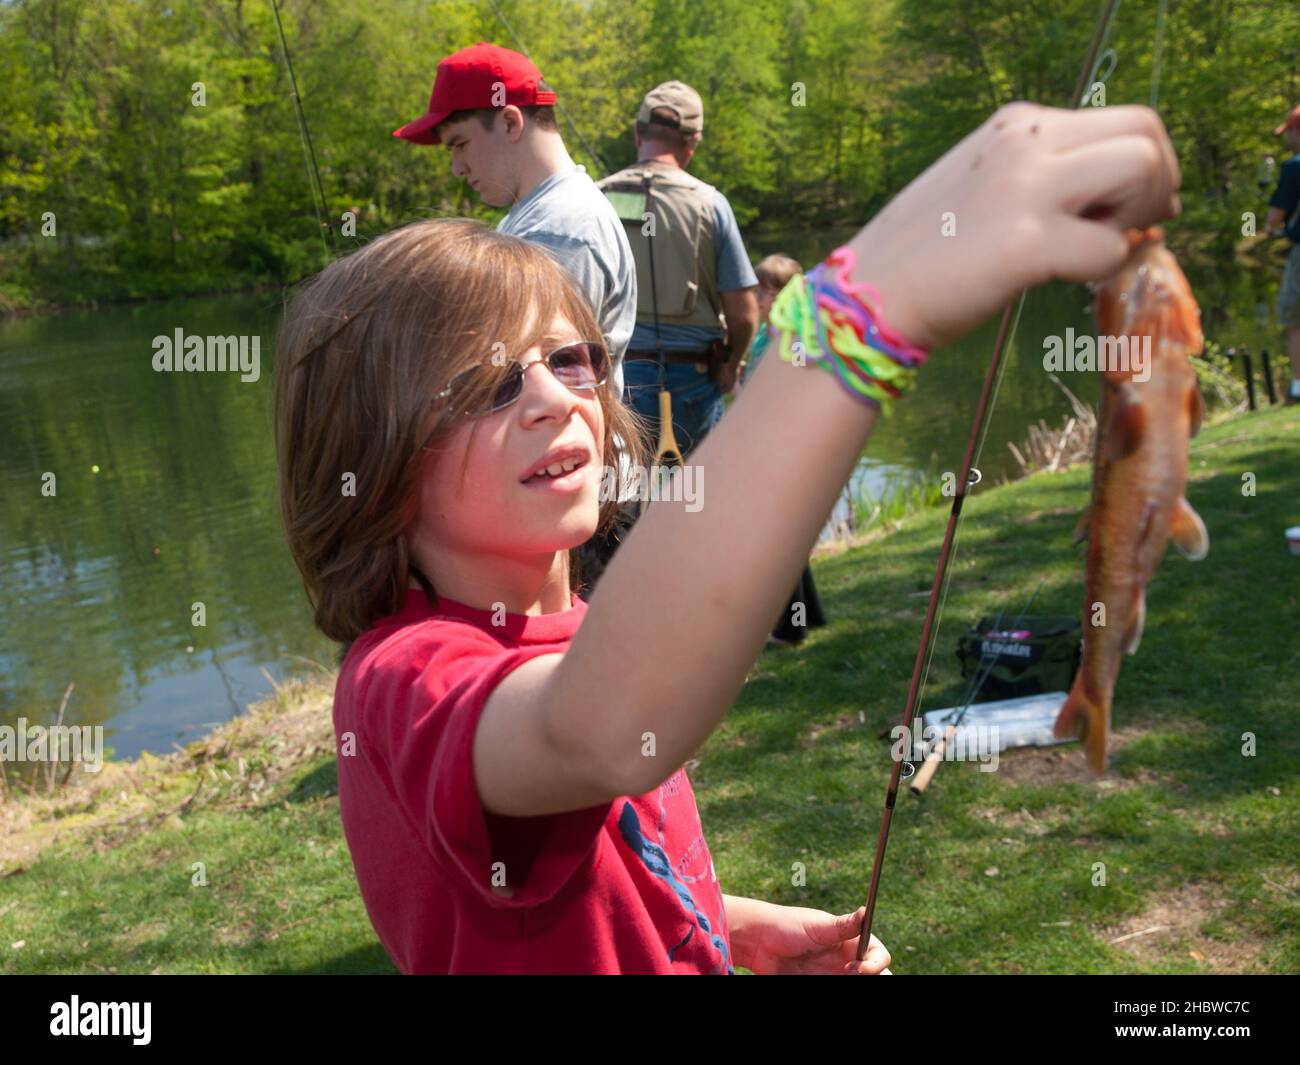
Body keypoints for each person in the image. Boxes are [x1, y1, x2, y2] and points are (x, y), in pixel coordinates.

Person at [274, 101, 1181, 974]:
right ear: (374, 462)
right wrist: (856, 318)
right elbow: (603, 733)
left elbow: (603, 861)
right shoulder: (404, 679)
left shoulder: (586, 625)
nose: (555, 396)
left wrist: (724, 924)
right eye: (483, 385)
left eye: (568, 357)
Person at [393, 42, 637, 402]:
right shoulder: (535, 217)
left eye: (460, 144)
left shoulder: (558, 230)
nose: (457, 168)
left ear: (509, 122)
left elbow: (545, 389)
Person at [597, 81, 759, 456]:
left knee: (621, 505)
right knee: (692, 502)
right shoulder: (711, 204)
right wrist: (732, 362)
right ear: (693, 142)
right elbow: (745, 314)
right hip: (694, 380)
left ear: (638, 134)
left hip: (621, 377)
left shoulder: (598, 198)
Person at [741, 254, 828, 647]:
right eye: (757, 289)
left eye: (766, 291)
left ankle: (789, 629)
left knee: (777, 536)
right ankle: (810, 611)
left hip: (782, 446)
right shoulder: (766, 333)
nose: (757, 296)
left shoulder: (793, 336)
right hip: (762, 442)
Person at [1265, 104, 1300, 404]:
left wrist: (1267, 230)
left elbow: (1275, 217)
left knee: (1294, 318)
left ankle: (1299, 387)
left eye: (1289, 132)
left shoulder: (1294, 167)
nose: (1287, 138)